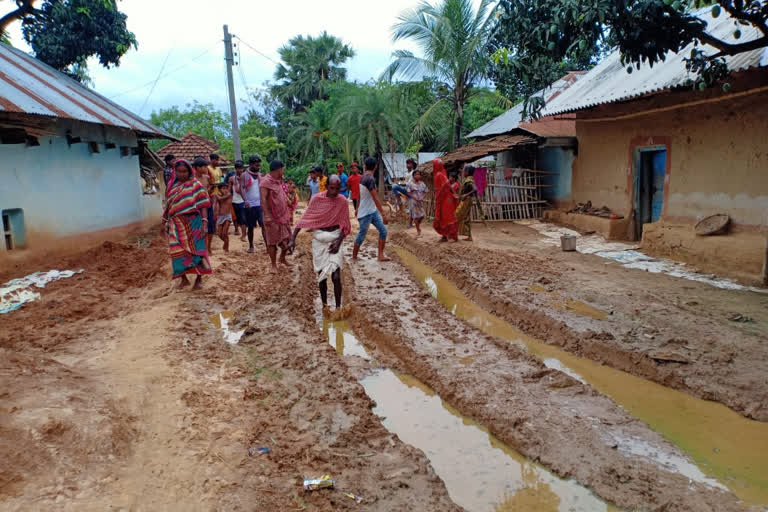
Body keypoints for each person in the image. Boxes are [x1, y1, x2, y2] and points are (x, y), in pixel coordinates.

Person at [290, 175, 351, 313]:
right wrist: (293, 238)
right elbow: (305, 218)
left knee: (336, 276)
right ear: (326, 186)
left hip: (335, 239)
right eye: (332, 188)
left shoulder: (342, 201)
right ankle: (325, 306)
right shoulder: (317, 199)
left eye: (337, 188)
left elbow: (345, 225)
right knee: (321, 276)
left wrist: (338, 242)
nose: (335, 191)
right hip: (319, 240)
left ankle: (338, 308)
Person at [162, 159, 212, 290]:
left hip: (193, 222)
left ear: (189, 171)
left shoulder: (195, 185)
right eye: (179, 171)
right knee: (177, 251)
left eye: (184, 171)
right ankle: (183, 279)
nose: (182, 174)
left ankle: (199, 279)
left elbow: (203, 205)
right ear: (175, 171)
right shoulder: (172, 187)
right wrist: (165, 223)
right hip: (175, 223)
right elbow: (168, 207)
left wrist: (205, 222)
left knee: (197, 251)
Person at [352, 157, 390, 262]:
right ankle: (354, 256)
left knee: (382, 231)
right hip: (367, 213)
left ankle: (380, 256)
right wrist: (383, 214)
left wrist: (357, 208)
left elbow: (359, 195)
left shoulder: (363, 177)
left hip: (370, 211)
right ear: (376, 167)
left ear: (365, 165)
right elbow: (375, 198)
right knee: (362, 234)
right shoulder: (370, 179)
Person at [260, 160, 292, 273]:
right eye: (282, 169)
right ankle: (273, 265)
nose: (283, 171)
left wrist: (287, 200)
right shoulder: (265, 182)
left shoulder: (278, 181)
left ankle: (282, 258)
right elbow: (263, 199)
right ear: (278, 169)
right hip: (271, 217)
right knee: (272, 241)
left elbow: (280, 193)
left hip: (283, 216)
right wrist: (267, 215)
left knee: (287, 238)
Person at [241, 155, 264, 253]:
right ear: (250, 164)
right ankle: (251, 246)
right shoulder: (244, 175)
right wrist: (245, 201)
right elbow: (241, 188)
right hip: (250, 205)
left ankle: (268, 245)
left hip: (260, 204)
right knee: (250, 227)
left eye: (259, 164)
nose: (258, 166)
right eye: (256, 164)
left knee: (264, 225)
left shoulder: (260, 175)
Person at [432, 159, 459, 242]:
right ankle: (445, 236)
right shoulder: (439, 174)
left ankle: (451, 236)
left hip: (445, 200)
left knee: (446, 217)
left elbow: (447, 185)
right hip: (441, 199)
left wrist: (453, 193)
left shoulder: (440, 174)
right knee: (442, 217)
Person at [193, 157, 216, 253]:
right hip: (197, 206)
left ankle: (208, 248)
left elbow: (211, 185)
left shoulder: (206, 178)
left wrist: (208, 193)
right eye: (204, 167)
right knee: (198, 228)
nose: (206, 169)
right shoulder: (192, 179)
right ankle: (199, 249)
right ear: (197, 168)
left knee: (210, 228)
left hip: (207, 204)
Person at [456, 164, 479, 242]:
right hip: (468, 200)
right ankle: (469, 237)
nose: (463, 172)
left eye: (464, 170)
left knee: (456, 214)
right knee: (466, 218)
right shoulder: (468, 179)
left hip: (466, 200)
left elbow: (475, 189)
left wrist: (466, 194)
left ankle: (452, 234)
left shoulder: (469, 180)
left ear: (467, 171)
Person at [407, 169, 428, 236]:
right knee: (416, 217)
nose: (418, 176)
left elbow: (425, 191)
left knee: (422, 216)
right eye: (416, 174)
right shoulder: (410, 184)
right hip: (413, 202)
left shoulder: (422, 184)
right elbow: (408, 192)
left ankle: (417, 223)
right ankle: (418, 229)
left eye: (419, 174)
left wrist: (422, 198)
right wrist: (415, 198)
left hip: (420, 202)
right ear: (413, 176)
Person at [229, 160, 246, 239]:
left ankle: (243, 235)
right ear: (235, 169)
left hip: (243, 200)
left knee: (243, 218)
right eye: (238, 168)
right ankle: (236, 229)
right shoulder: (231, 179)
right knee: (235, 217)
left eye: (241, 168)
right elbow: (229, 190)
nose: (239, 170)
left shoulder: (245, 177)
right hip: (234, 200)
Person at [215, 182, 233, 252]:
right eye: (223, 188)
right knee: (219, 234)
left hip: (227, 215)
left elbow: (220, 199)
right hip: (220, 216)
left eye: (226, 188)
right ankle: (226, 242)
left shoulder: (229, 194)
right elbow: (216, 204)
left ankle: (226, 247)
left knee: (224, 233)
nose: (225, 190)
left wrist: (217, 196)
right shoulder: (218, 195)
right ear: (219, 189)